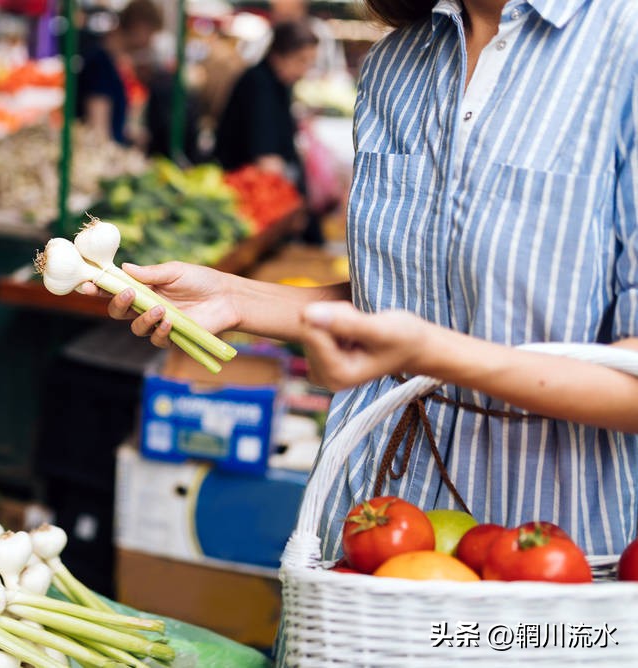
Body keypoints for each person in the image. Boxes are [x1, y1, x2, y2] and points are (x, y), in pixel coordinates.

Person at [85, 0, 638, 561]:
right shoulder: (395, 64)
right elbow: (402, 296)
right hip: (371, 513)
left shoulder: (624, 48)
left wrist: (433, 355)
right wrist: (234, 296)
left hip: (547, 543)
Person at [214, 20, 320, 241]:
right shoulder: (259, 85)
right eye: (301, 61)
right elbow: (267, 162)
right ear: (278, 55)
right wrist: (291, 207)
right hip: (247, 200)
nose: (304, 71)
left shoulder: (278, 84)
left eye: (309, 63)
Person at [76, 0, 163, 145]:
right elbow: (99, 131)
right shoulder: (100, 65)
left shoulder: (109, 62)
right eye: (151, 34)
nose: (150, 42)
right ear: (139, 27)